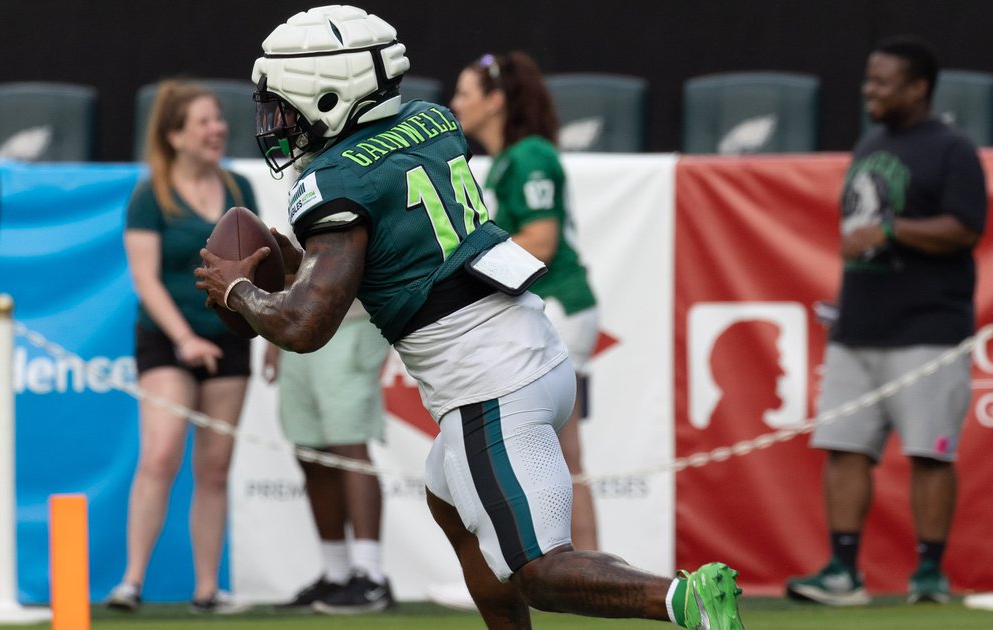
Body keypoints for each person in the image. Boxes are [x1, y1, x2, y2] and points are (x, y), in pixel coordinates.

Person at [196, 6, 744, 629]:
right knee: (452, 503)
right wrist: (303, 269)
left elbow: (304, 327)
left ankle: (683, 600)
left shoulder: (334, 179)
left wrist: (240, 290)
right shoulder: (431, 122)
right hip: (526, 350)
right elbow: (390, 260)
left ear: (328, 95)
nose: (277, 122)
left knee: (538, 569)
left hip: (490, 385)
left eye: (286, 105)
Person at [786, 36, 986, 607]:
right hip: (858, 328)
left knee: (930, 452)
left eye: (882, 82)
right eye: (868, 80)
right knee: (844, 447)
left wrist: (893, 231)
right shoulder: (869, 143)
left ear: (918, 87)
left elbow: (966, 228)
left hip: (928, 328)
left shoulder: (952, 150)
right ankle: (843, 573)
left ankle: (928, 576)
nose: (868, 91)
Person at [430, 49, 602, 613]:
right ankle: (586, 573)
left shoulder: (528, 156)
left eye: (465, 92)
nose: (455, 105)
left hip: (557, 306)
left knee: (543, 452)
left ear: (496, 99)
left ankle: (565, 570)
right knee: (566, 455)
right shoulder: (508, 159)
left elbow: (543, 241)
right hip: (551, 308)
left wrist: (457, 262)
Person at [106, 80, 257, 614]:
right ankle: (132, 581)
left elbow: (260, 270)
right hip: (167, 342)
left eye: (218, 119)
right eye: (203, 122)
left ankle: (207, 590)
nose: (217, 129)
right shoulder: (151, 196)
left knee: (214, 467)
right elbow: (145, 280)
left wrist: (277, 326)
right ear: (174, 136)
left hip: (232, 342)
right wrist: (185, 339)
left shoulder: (239, 190)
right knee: (161, 453)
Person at [264, 300, 394, 614]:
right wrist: (272, 337)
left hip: (351, 322)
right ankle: (337, 574)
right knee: (309, 452)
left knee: (350, 448)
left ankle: (369, 575)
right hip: (294, 326)